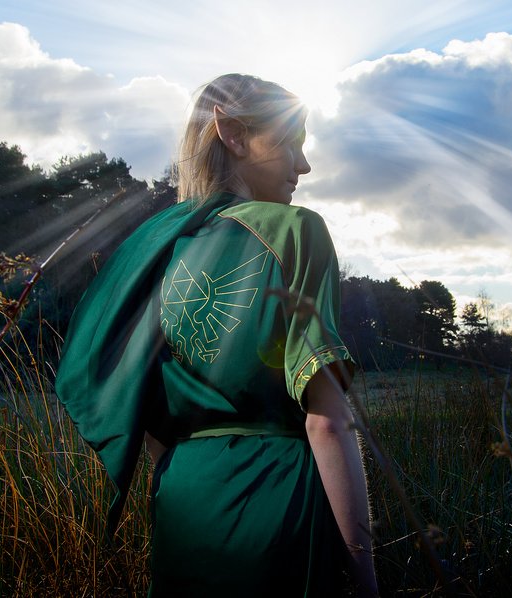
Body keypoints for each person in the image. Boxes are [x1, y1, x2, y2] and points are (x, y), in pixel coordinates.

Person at [54, 73, 378, 597]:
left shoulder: (153, 252)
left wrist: (182, 483)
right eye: (290, 141)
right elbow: (328, 423)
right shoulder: (295, 230)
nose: (304, 164)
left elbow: (145, 408)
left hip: (183, 508)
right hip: (278, 505)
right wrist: (365, 580)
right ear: (232, 135)